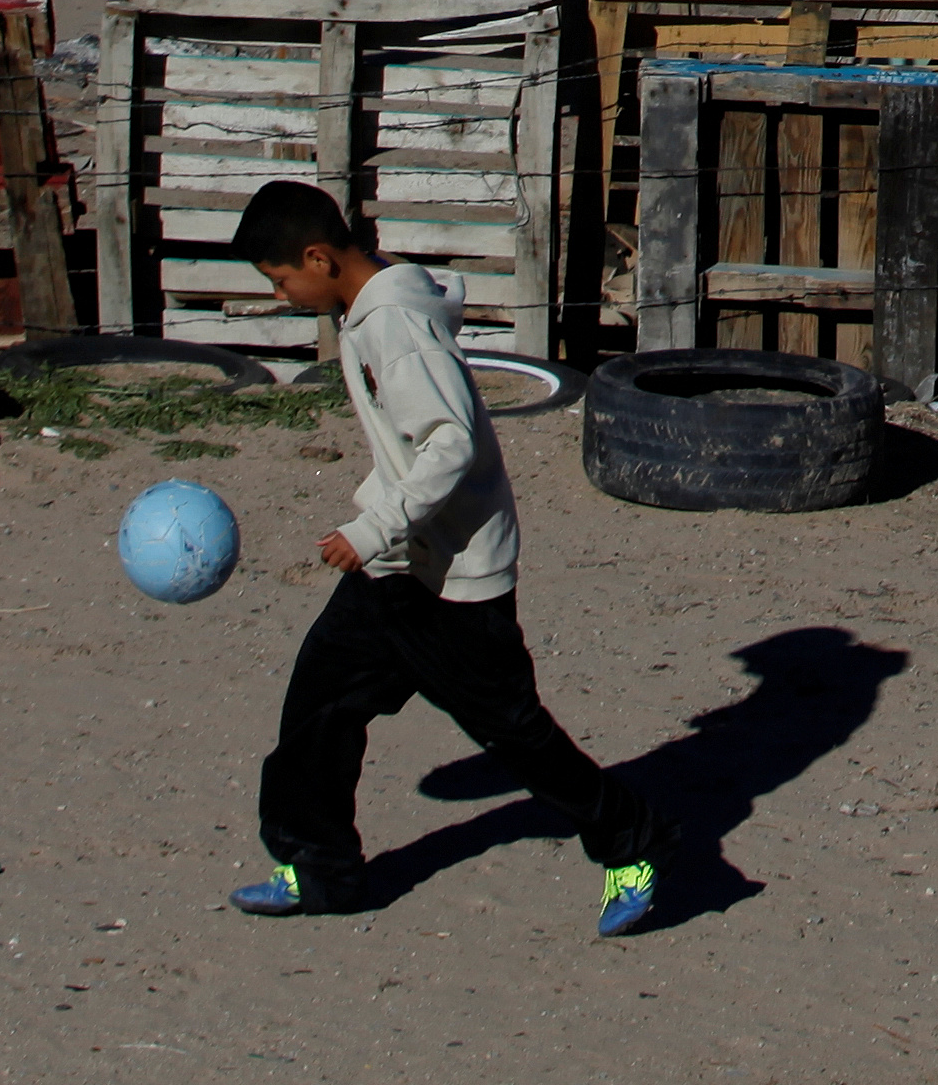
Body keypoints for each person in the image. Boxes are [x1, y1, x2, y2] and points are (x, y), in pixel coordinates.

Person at [224, 179, 661, 938]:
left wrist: (369, 530)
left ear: (318, 258)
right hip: (401, 566)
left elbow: (450, 442)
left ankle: (632, 843)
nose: (282, 293)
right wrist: (381, 525)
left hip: (455, 581)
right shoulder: (370, 305)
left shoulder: (394, 328)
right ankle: (320, 868)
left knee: (517, 735)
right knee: (319, 707)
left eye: (280, 279)